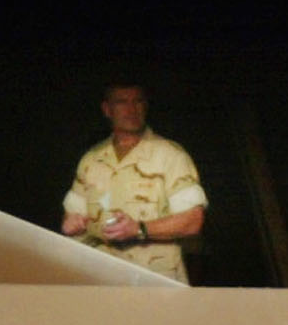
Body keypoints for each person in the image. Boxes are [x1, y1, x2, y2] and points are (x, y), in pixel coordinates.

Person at [59, 81, 207, 283]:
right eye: (122, 102)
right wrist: (72, 225)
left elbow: (192, 221)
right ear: (107, 109)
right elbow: (72, 219)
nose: (131, 109)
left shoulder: (170, 155)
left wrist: (139, 229)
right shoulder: (91, 160)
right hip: (101, 280)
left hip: (153, 282)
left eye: (137, 101)